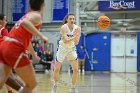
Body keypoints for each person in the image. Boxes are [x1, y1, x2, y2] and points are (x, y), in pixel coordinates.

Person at [0, 0, 48, 93]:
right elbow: (25, 23)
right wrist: (41, 36)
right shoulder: (36, 15)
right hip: (14, 48)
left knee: (2, 79)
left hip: (5, 46)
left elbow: (27, 40)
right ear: (42, 6)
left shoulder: (27, 15)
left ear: (29, 5)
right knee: (32, 84)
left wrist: (34, 55)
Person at [51, 13, 81, 93]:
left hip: (71, 49)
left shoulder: (77, 28)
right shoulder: (64, 27)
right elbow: (65, 40)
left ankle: (73, 88)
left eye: (73, 19)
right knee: (57, 69)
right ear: (67, 19)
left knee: (76, 70)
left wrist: (75, 38)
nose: (72, 20)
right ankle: (55, 85)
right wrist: (74, 36)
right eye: (70, 19)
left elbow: (77, 42)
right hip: (62, 49)